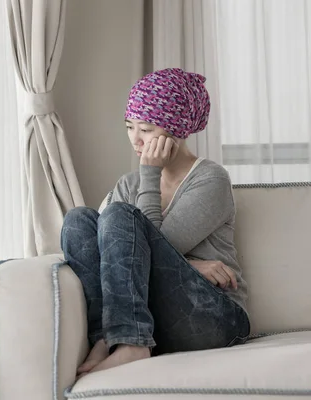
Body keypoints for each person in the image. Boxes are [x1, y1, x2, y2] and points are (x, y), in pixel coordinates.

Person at [60, 68, 250, 378]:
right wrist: (194, 263)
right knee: (78, 220)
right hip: (156, 318)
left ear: (175, 129)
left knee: (120, 214)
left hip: (215, 315)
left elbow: (150, 244)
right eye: (129, 126)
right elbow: (107, 256)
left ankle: (131, 343)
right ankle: (107, 337)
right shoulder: (128, 184)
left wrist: (150, 173)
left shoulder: (210, 179)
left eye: (146, 129)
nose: (135, 139)